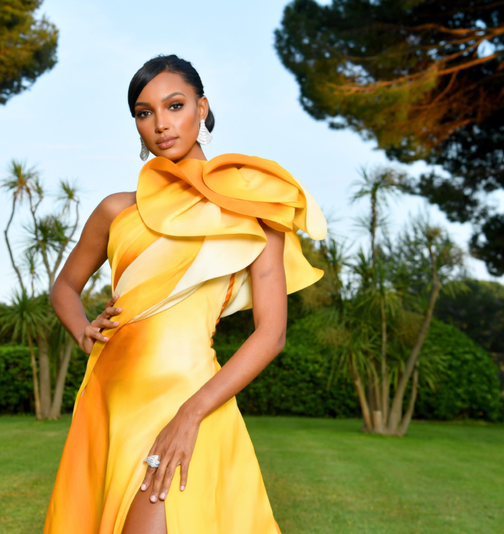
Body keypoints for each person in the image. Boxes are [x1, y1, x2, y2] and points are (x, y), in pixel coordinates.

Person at [42, 54, 327, 534]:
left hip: (192, 401)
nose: (160, 123)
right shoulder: (116, 210)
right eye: (144, 112)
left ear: (202, 107)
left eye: (174, 105)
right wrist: (84, 331)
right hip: (110, 406)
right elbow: (65, 287)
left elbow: (272, 334)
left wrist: (190, 413)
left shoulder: (253, 211)